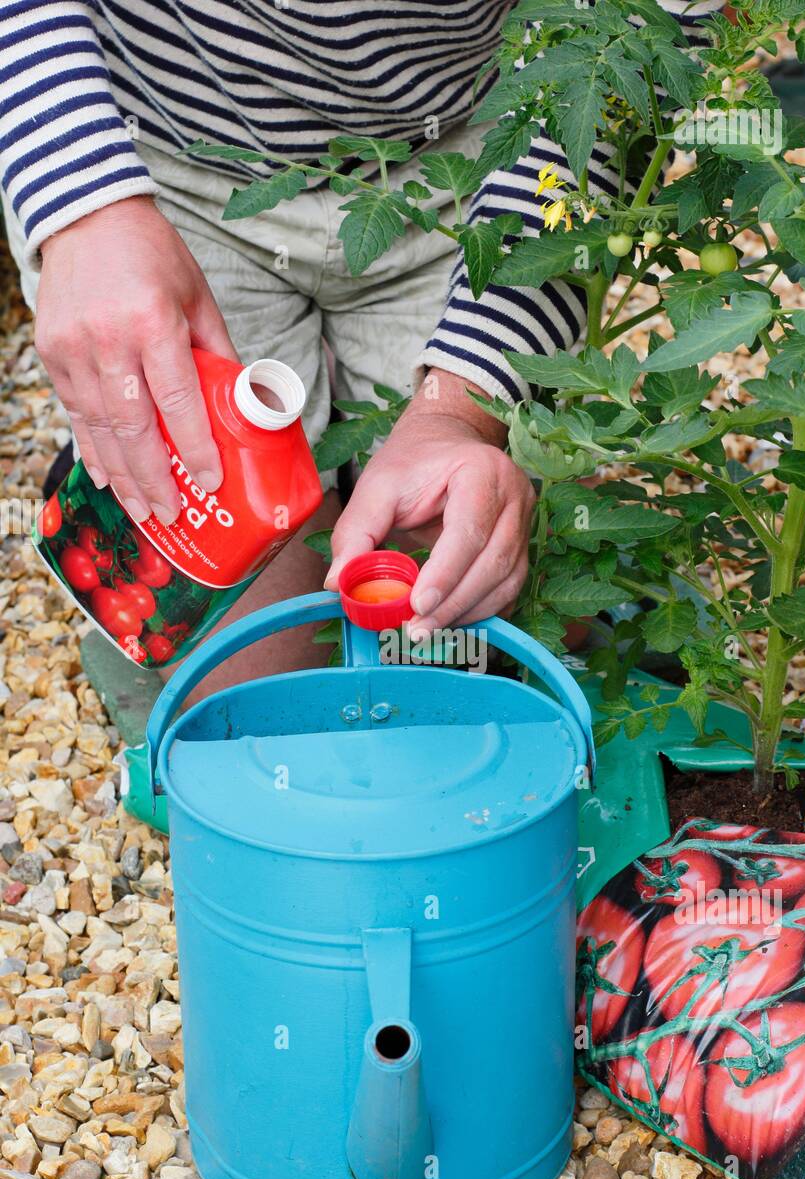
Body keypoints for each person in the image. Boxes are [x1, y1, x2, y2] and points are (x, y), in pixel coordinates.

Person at [1, 0, 720, 695]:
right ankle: (179, 458)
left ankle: (352, 454)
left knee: (445, 637)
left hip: (470, 158)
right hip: (159, 160)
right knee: (253, 679)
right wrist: (82, 206)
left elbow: (631, 57)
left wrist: (458, 410)